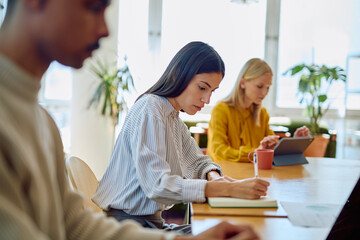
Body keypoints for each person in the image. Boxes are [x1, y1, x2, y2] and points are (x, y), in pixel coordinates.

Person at [0, 0, 260, 239]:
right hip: (135, 220)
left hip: (146, 223)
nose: (105, 30)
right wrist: (220, 190)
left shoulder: (42, 122)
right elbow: (157, 186)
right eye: (93, 7)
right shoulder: (151, 108)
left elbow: (76, 226)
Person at [92, 41, 270, 234]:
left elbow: (199, 163)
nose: (207, 99)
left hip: (151, 224)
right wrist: (227, 189)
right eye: (202, 87)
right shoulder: (151, 109)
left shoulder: (173, 118)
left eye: (212, 91)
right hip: (129, 228)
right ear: (179, 75)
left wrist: (216, 178)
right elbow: (158, 186)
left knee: (232, 233)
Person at [206, 58, 311, 162]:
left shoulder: (262, 114)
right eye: (260, 86)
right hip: (226, 174)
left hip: (253, 173)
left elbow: (272, 147)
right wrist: (256, 153)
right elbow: (219, 151)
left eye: (268, 87)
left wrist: (294, 143)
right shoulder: (221, 110)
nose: (265, 92)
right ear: (243, 83)